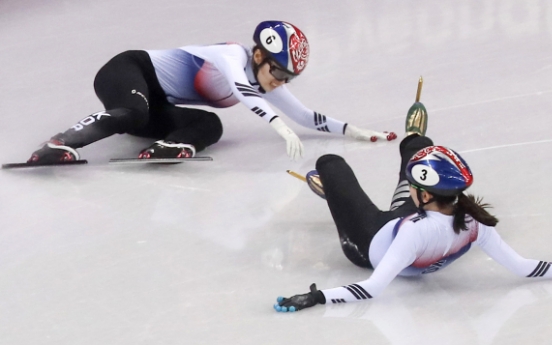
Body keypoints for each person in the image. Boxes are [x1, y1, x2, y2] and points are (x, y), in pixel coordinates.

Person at [273, 103, 551, 312]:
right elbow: (525, 268)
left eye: (416, 185)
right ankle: (415, 138)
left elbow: (372, 287)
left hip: (365, 238)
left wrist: (317, 297)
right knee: (405, 185)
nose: (413, 187)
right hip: (403, 220)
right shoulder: (473, 221)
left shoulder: (415, 234)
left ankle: (335, 196)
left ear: (427, 196)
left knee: (331, 162)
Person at [27, 21, 396, 164]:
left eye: (289, 78)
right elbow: (241, 89)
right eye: (279, 72)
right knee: (134, 113)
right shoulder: (231, 56)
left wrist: (354, 130)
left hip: (158, 101)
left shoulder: (265, 79)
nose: (281, 83)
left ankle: (170, 145)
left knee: (211, 126)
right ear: (258, 54)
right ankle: (62, 142)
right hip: (127, 71)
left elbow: (304, 116)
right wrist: (276, 126)